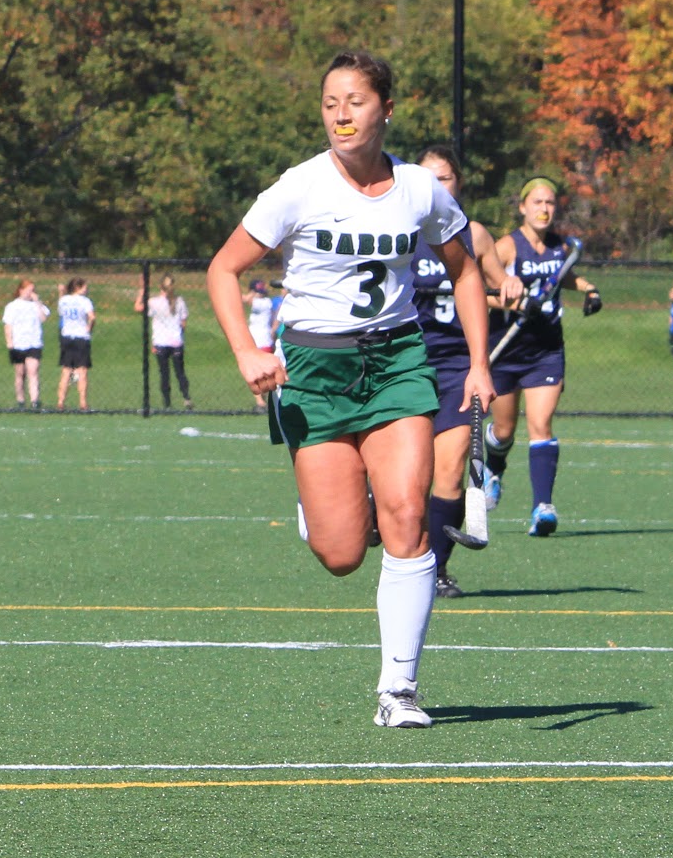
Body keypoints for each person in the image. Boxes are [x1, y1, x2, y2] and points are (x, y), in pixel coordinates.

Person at [207, 50, 494, 729]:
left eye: (356, 101)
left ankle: (399, 690)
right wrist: (247, 351)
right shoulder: (298, 187)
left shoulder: (422, 189)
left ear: (386, 109)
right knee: (340, 553)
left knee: (406, 515)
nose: (341, 113)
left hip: (397, 363)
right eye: (331, 101)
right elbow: (223, 269)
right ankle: (330, 501)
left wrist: (479, 362)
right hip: (315, 371)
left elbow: (466, 271)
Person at [410, 146, 525, 599]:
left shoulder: (473, 233)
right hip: (405, 361)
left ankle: (436, 570)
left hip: (459, 364)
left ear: (458, 184)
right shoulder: (398, 226)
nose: (437, 187)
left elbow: (495, 287)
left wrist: (509, 287)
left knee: (451, 470)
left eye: (445, 179)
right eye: (428, 178)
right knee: (405, 472)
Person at [480, 177, 603, 538]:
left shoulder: (561, 247)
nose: (544, 209)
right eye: (536, 202)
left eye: (549, 203)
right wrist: (514, 302)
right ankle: (495, 469)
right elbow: (478, 289)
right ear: (522, 207)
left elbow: (565, 276)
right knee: (503, 430)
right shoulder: (506, 247)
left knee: (541, 424)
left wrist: (588, 289)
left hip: (545, 350)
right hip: (505, 348)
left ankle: (542, 507)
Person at [136, 273, 191, 409]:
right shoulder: (179, 301)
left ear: (160, 287)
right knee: (180, 372)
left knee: (164, 373)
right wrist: (179, 335)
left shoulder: (154, 302)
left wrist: (142, 290)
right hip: (176, 341)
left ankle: (167, 403)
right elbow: (183, 323)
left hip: (161, 342)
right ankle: (186, 397)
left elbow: (138, 307)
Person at [2, 278, 50, 409]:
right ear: (21, 290)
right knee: (20, 373)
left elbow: (43, 318)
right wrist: (9, 342)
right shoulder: (12, 306)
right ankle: (21, 400)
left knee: (33, 371)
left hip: (34, 343)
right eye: (28, 290)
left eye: (33, 291)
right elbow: (8, 325)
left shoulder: (36, 305)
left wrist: (37, 302)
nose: (30, 293)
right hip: (18, 344)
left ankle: (35, 400)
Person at [55, 276, 95, 411]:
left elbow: (61, 313)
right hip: (81, 337)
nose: (87, 289)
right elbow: (92, 317)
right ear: (78, 288)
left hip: (67, 336)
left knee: (66, 370)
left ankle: (60, 401)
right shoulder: (85, 301)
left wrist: (60, 292)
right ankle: (83, 402)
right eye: (84, 287)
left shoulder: (64, 300)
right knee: (82, 370)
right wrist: (89, 328)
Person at [242, 279, 277, 411]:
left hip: (257, 342)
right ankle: (263, 400)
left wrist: (252, 293)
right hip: (266, 341)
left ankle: (260, 402)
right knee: (265, 373)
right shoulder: (268, 302)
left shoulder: (260, 302)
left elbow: (243, 299)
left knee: (255, 373)